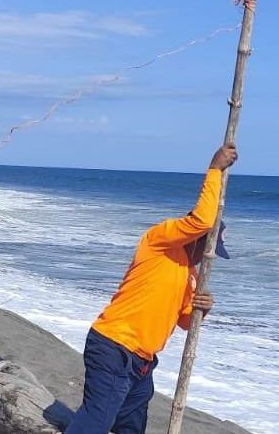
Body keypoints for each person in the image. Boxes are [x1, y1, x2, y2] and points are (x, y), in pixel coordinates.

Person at [65, 144, 238, 434]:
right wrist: (214, 170)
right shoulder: (160, 241)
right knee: (97, 420)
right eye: (207, 247)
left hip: (142, 363)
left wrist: (201, 309)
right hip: (113, 346)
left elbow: (184, 321)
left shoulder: (191, 275)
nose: (205, 257)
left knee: (131, 426)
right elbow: (203, 220)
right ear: (196, 238)